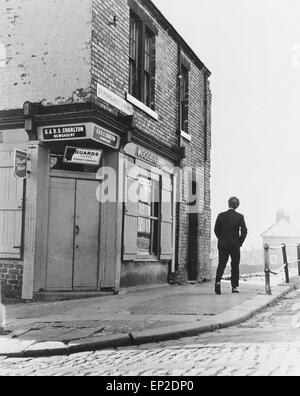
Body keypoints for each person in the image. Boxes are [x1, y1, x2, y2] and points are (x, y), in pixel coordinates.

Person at [214, 197, 248, 295]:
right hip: (235, 245)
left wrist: (221, 239)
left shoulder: (220, 215)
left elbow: (216, 230)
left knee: (221, 264)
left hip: (223, 244)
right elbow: (244, 231)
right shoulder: (240, 217)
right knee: (235, 265)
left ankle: (217, 282)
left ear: (228, 204)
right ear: (237, 205)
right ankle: (234, 287)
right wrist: (239, 242)